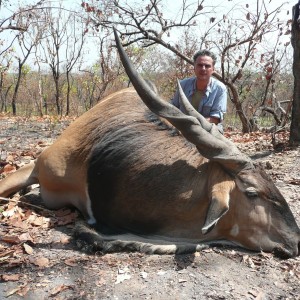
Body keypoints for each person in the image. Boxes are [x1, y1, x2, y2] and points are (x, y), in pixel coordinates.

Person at [171, 50, 227, 133]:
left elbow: (215, 118)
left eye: (207, 66)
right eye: (200, 65)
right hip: (182, 127)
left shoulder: (220, 88)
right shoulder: (183, 85)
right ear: (194, 67)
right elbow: (173, 108)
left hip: (206, 128)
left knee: (216, 132)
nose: (203, 69)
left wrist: (193, 125)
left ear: (213, 69)